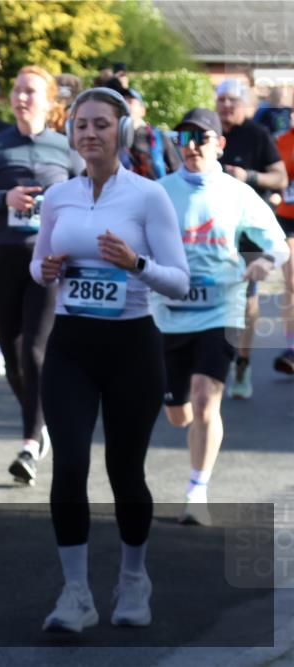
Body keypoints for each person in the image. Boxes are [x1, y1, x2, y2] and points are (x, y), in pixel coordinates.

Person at [31, 87, 190, 633]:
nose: (90, 133)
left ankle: (133, 578)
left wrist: (135, 262)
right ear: (70, 133)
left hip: (132, 348)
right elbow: (37, 266)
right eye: (81, 124)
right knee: (70, 464)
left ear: (121, 133)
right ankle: (76, 593)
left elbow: (179, 281)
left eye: (101, 124)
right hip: (71, 347)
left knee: (125, 470)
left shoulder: (149, 197)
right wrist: (45, 271)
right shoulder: (58, 196)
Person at [154, 108, 289, 526]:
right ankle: (188, 417)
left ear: (220, 144)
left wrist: (264, 261)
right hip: (170, 315)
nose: (192, 146)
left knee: (204, 397)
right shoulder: (158, 192)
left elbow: (278, 243)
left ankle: (197, 491)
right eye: (185, 137)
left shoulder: (238, 194)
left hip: (221, 310)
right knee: (179, 413)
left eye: (202, 138)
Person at [0, 65, 83, 485]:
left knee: (35, 350)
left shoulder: (65, 148)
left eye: (31, 91)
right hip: (1, 258)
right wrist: (4, 198)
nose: (21, 97)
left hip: (47, 261)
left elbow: (88, 198)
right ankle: (41, 422)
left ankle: (30, 443)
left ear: (48, 101)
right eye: (16, 90)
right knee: (13, 357)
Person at [215, 78, 290, 399]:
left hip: (248, 229)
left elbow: (280, 177)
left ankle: (242, 363)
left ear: (244, 103)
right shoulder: (205, 133)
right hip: (212, 229)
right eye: (221, 100)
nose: (226, 106)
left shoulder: (257, 135)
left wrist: (249, 176)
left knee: (247, 297)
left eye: (232, 100)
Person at [119, 86, 181, 180]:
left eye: (130, 102)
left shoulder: (158, 137)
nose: (126, 106)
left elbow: (177, 171)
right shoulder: (113, 138)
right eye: (123, 103)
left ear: (142, 110)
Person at [275, 120, 294, 374]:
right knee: (291, 281)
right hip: (288, 218)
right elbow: (279, 176)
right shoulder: (281, 140)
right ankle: (292, 349)